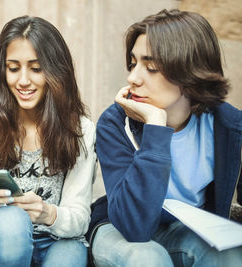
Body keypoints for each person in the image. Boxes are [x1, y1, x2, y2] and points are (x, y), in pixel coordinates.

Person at [87, 8, 242, 267]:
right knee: (147, 258)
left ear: (190, 72)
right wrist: (155, 127)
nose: (132, 78)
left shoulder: (229, 127)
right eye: (134, 63)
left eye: (151, 67)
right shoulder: (114, 122)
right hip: (118, 229)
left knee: (229, 255)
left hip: (185, 231)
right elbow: (134, 228)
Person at [0, 15, 97, 267]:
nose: (23, 81)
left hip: (61, 239)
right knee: (12, 220)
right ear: (2, 70)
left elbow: (80, 217)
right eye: (14, 68)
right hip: (6, 237)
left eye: (36, 69)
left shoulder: (80, 128)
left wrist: (47, 212)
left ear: (56, 72)